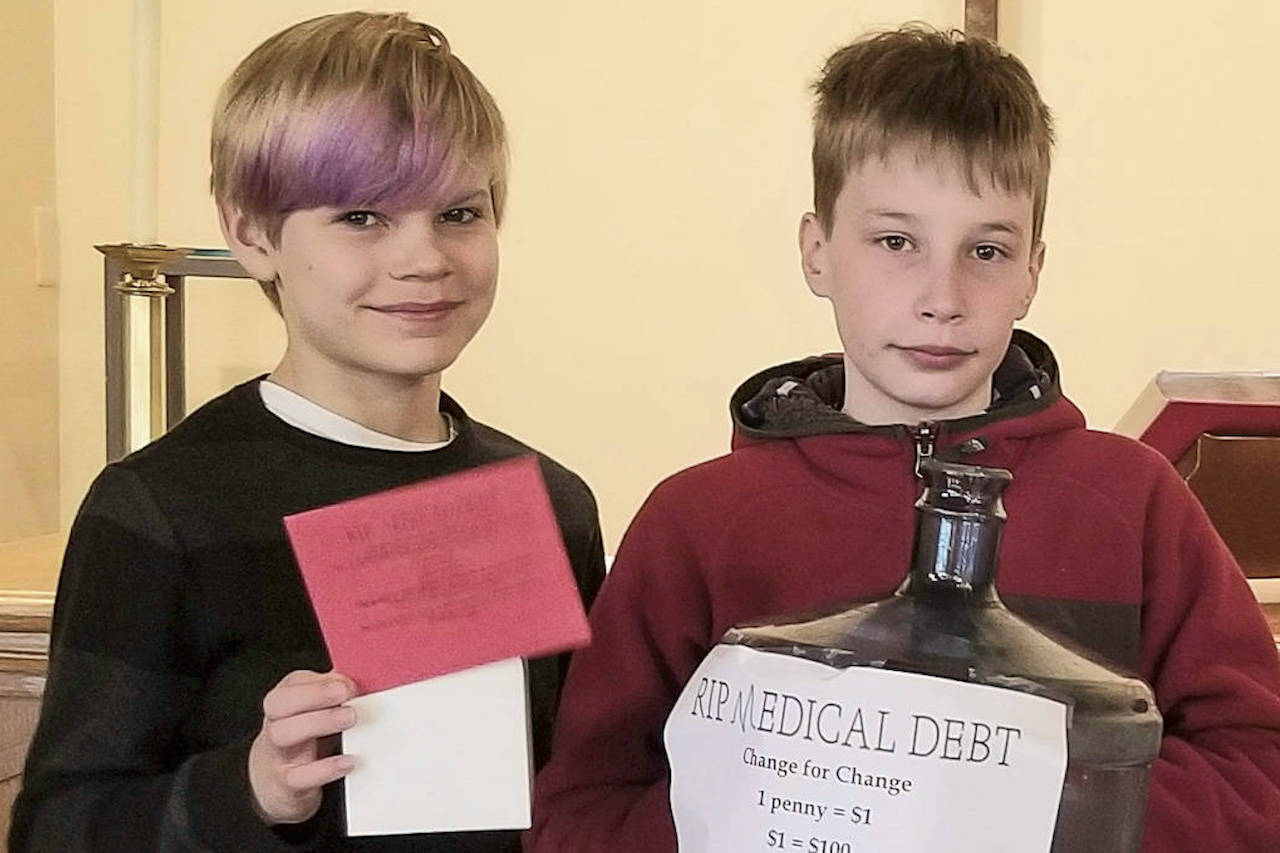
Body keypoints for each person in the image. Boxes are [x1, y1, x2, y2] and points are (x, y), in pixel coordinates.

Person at [529, 25, 1280, 852]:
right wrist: (769, 809)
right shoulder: (694, 522)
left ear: (1032, 271)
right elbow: (581, 811)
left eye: (986, 250)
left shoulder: (1134, 503)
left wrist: (1022, 813)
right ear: (817, 251)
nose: (942, 297)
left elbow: (1259, 769)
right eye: (896, 241)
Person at [10, 12, 604, 852]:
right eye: (361, 217)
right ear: (252, 233)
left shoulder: (551, 503)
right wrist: (252, 788)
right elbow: (57, 828)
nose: (425, 258)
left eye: (459, 213)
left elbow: (582, 789)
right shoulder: (162, 510)